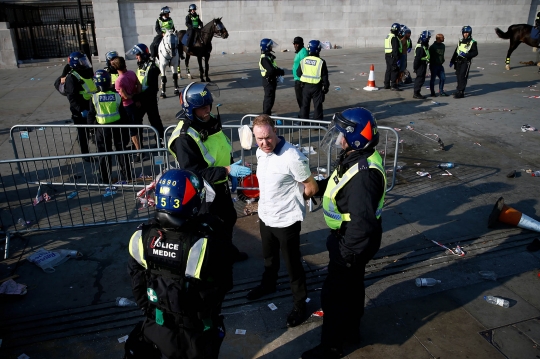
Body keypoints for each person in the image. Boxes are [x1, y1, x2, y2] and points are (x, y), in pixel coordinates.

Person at [301, 107, 387, 359]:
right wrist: (317, 188)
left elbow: (362, 223)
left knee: (334, 296)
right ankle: (351, 331)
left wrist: (345, 254)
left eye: (342, 135)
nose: (338, 140)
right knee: (352, 289)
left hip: (351, 243)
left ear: (356, 138)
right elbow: (340, 183)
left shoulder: (364, 175)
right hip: (351, 240)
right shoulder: (357, 158)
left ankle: (331, 348)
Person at [127, 169, 234, 359]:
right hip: (196, 333)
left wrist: (151, 310)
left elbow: (137, 282)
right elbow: (224, 284)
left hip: (158, 327)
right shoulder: (205, 243)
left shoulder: (141, 236)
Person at [246, 114, 318, 327]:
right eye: (259, 139)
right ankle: (268, 285)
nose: (264, 143)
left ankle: (300, 303)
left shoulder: (292, 157)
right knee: (269, 258)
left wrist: (295, 199)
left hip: (287, 220)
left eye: (268, 137)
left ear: (275, 131)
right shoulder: (260, 152)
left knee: (293, 264)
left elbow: (311, 187)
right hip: (266, 216)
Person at [167, 82, 251, 262]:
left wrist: (230, 167)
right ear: (190, 109)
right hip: (204, 192)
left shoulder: (209, 120)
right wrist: (227, 170)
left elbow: (220, 147)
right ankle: (212, 262)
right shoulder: (184, 138)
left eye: (208, 105)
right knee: (209, 228)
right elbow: (193, 174)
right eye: (201, 108)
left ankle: (226, 251)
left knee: (228, 218)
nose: (207, 110)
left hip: (220, 183)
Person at [87, 69, 132, 183]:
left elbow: (91, 115)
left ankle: (105, 178)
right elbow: (122, 113)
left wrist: (90, 129)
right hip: (117, 126)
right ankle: (127, 176)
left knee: (104, 154)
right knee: (121, 151)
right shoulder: (116, 95)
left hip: (101, 129)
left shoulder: (94, 97)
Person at [128, 43, 165, 144]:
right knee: (138, 121)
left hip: (149, 99)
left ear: (144, 55)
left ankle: (160, 141)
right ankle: (139, 144)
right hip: (141, 99)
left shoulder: (152, 68)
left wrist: (137, 98)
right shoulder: (141, 66)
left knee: (154, 120)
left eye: (138, 55)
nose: (136, 57)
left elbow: (152, 88)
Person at [111, 56, 145, 163]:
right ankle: (140, 147)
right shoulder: (131, 73)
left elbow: (124, 96)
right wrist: (137, 96)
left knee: (132, 130)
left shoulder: (119, 81)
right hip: (135, 104)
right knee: (138, 126)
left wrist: (131, 96)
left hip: (126, 106)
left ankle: (139, 151)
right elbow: (139, 84)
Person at [64, 51, 97, 160]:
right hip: (80, 110)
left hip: (91, 106)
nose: (84, 63)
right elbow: (72, 97)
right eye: (82, 61)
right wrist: (81, 110)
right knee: (83, 134)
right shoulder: (72, 77)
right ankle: (85, 155)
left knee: (92, 130)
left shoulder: (86, 72)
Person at [296, 40, 330, 121]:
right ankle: (316, 124)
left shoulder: (303, 60)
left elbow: (298, 73)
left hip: (305, 87)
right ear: (318, 50)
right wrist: (326, 87)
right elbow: (324, 76)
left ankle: (304, 121)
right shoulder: (321, 62)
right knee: (317, 105)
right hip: (316, 87)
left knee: (305, 105)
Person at [449, 25, 478, 99]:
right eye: (464, 32)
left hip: (466, 61)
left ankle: (461, 92)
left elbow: (475, 52)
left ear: (470, 33)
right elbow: (456, 51)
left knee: (463, 76)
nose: (465, 34)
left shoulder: (472, 42)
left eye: (467, 33)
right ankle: (458, 90)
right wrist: (452, 60)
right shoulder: (461, 41)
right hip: (458, 61)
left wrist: (466, 55)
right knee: (458, 76)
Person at [259, 38, 284, 115]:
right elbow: (271, 70)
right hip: (268, 81)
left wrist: (279, 70)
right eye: (270, 46)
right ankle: (266, 116)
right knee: (268, 99)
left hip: (271, 80)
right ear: (266, 47)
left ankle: (268, 114)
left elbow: (273, 68)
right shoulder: (264, 58)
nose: (271, 47)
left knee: (271, 99)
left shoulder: (268, 57)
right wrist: (279, 71)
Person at [292, 37, 308, 115]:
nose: (295, 45)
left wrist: (302, 79)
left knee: (301, 99)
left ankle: (303, 115)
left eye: (297, 44)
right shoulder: (299, 52)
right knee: (300, 99)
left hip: (300, 80)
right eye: (294, 44)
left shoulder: (303, 52)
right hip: (297, 79)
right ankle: (302, 113)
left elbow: (305, 65)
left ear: (301, 44)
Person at [413, 30, 431, 100]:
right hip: (420, 65)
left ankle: (417, 92)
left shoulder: (423, 46)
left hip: (422, 64)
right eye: (428, 38)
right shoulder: (420, 47)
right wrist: (415, 68)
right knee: (420, 79)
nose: (429, 40)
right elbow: (417, 59)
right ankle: (416, 93)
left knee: (421, 79)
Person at [384, 23, 402, 91]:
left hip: (387, 55)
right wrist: (397, 58)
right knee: (394, 70)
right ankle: (393, 85)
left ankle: (386, 84)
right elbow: (395, 49)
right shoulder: (394, 37)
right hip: (393, 56)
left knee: (388, 70)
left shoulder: (388, 36)